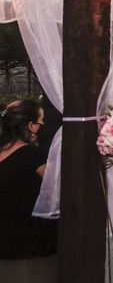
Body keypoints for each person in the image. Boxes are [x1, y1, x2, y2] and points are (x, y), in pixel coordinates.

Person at [0, 100, 57, 258]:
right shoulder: (33, 154)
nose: (43, 124)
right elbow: (55, 188)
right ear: (31, 126)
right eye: (41, 121)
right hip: (29, 238)